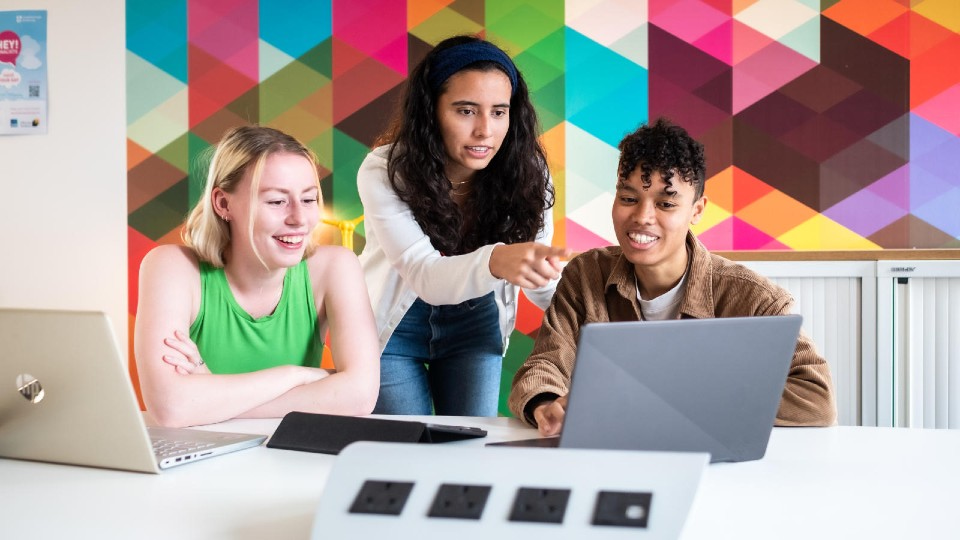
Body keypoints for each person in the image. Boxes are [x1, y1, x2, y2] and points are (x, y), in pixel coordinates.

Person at [509, 117, 837, 435]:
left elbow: (815, 398)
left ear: (696, 210)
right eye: (628, 198)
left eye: (665, 204)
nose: (642, 217)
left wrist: (674, 402)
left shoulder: (756, 299)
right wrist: (546, 405)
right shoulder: (586, 276)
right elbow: (544, 366)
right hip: (616, 460)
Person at [357, 35, 570, 416]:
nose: (485, 130)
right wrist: (498, 260)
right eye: (466, 111)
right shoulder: (384, 169)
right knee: (408, 449)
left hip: (474, 325)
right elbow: (424, 274)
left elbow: (543, 280)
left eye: (499, 112)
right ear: (431, 110)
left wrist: (593, 329)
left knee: (471, 447)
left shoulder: (529, 172)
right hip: (396, 328)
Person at [135, 125, 380, 428]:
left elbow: (360, 396)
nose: (299, 220)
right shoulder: (170, 267)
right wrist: (297, 375)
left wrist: (210, 398)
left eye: (308, 199)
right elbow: (170, 407)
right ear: (223, 204)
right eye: (277, 201)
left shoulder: (336, 266)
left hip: (290, 456)